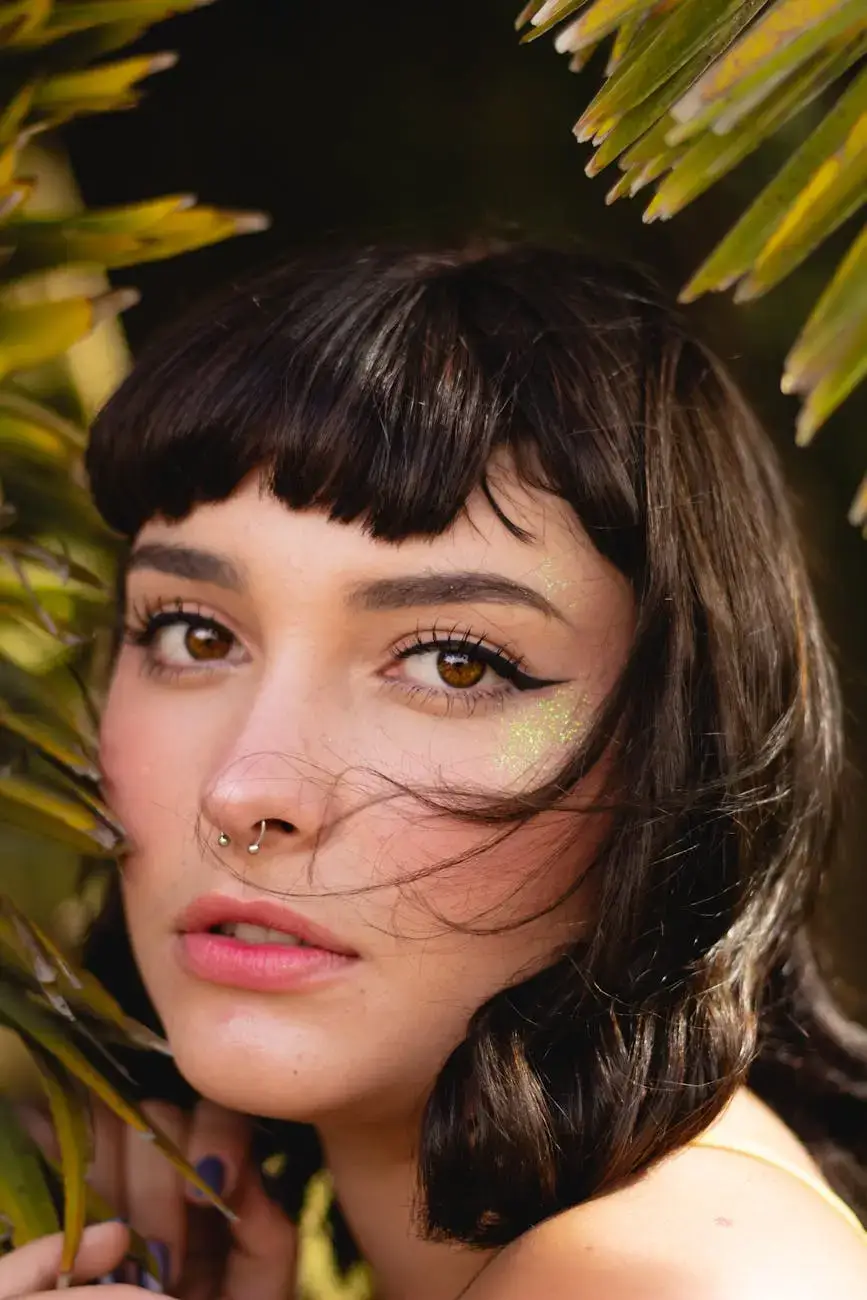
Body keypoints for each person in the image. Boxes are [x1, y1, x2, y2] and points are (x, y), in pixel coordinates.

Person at [4, 242, 867, 1300]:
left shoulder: (659, 1273)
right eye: (194, 635)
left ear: (677, 754)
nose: (245, 792)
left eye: (455, 663)